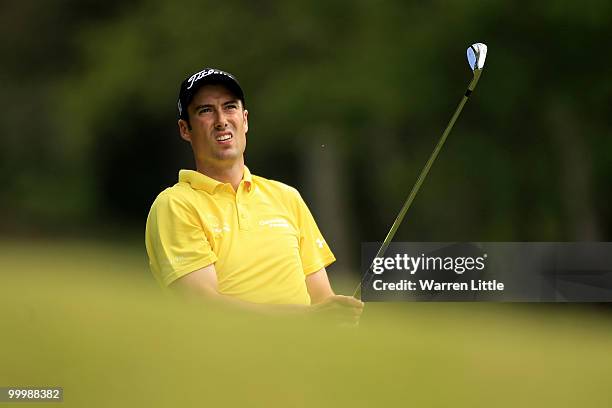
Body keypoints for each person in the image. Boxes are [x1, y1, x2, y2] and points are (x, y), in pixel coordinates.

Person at [145, 68, 363, 323]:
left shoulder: (287, 197)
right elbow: (203, 306)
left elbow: (322, 301)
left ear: (245, 119)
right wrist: (306, 318)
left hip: (304, 357)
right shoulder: (175, 205)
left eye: (229, 107)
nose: (221, 120)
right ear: (185, 129)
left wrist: (337, 317)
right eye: (205, 110)